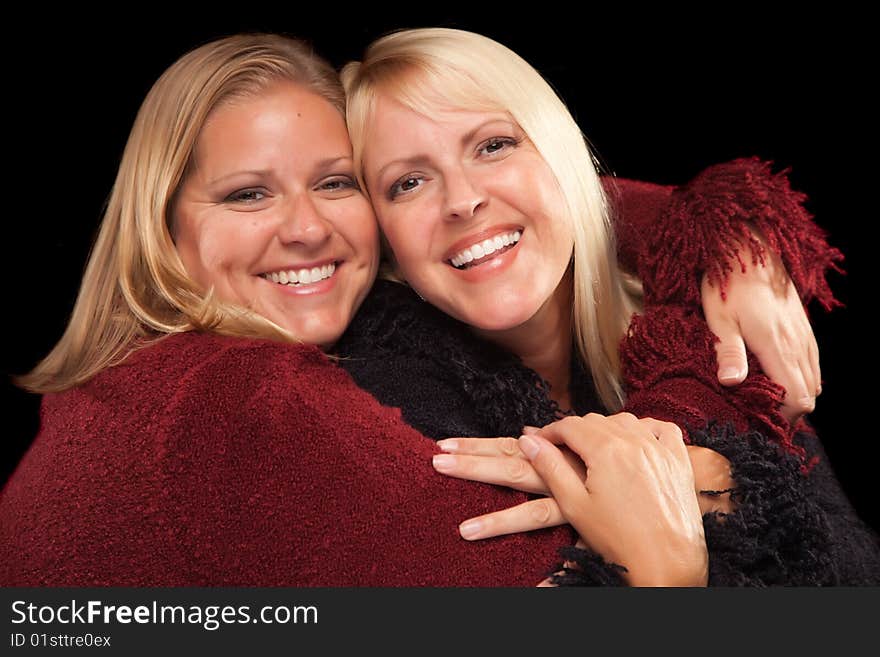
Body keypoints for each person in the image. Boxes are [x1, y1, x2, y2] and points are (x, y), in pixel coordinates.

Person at [0, 32, 861, 587]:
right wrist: (691, 502)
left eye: (333, 183)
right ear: (162, 224)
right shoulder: (263, 401)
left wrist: (728, 228)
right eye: (246, 193)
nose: (306, 227)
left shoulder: (680, 321)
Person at [337, 27, 880, 584]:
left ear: (560, 152)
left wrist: (707, 476)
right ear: (383, 239)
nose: (462, 200)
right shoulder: (379, 412)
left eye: (493, 145)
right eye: (407, 182)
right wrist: (707, 489)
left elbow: (857, 587)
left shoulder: (705, 327)